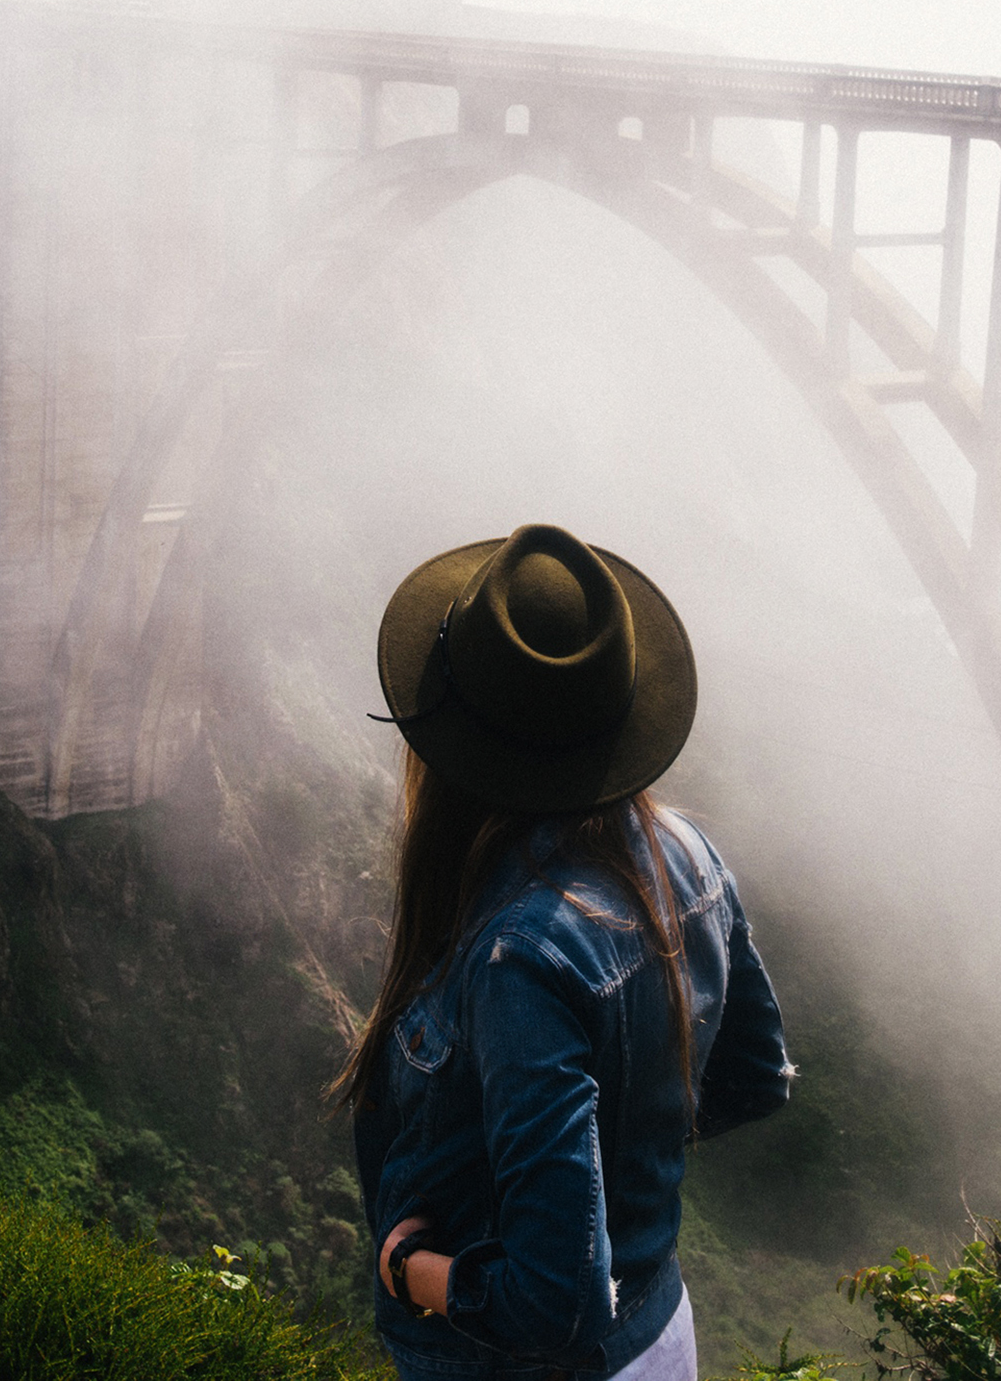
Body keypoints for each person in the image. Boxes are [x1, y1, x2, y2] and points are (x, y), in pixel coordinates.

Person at [335, 523, 793, 1381]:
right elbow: (754, 1077)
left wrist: (411, 1271)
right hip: (658, 1333)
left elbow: (554, 1306)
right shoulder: (688, 854)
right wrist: (625, 1157)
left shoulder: (519, 960)